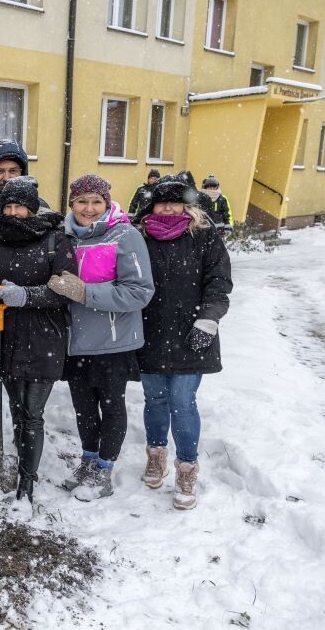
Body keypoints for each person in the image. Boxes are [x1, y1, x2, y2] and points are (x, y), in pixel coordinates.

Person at [49, 175, 155, 501]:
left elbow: (139, 292)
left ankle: (104, 471)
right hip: (76, 341)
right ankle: (88, 461)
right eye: (82, 201)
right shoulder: (64, 236)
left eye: (97, 201)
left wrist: (86, 293)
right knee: (83, 408)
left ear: (107, 203)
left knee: (110, 407)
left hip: (113, 341)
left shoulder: (125, 235)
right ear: (72, 204)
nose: (89, 208)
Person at [0, 178, 76, 503]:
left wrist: (27, 296)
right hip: (4, 332)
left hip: (44, 334)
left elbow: (67, 289)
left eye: (20, 206)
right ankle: (22, 460)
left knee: (32, 412)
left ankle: (26, 483)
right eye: (8, 206)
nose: (14, 212)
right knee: (17, 407)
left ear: (32, 208)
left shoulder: (55, 238)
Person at [134, 177, 233, 510]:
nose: (168, 208)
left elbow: (219, 283)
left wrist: (208, 320)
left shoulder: (203, 236)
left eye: (174, 202)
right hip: (148, 333)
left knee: (182, 402)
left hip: (192, 334)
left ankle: (187, 468)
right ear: (151, 206)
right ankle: (156, 455)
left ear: (186, 206)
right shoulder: (139, 237)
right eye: (161, 202)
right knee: (155, 399)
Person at [0, 140, 46, 453]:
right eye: (0, 170)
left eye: (13, 170)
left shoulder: (37, 207)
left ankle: (23, 429)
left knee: (18, 372)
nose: (6, 176)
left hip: (23, 308)